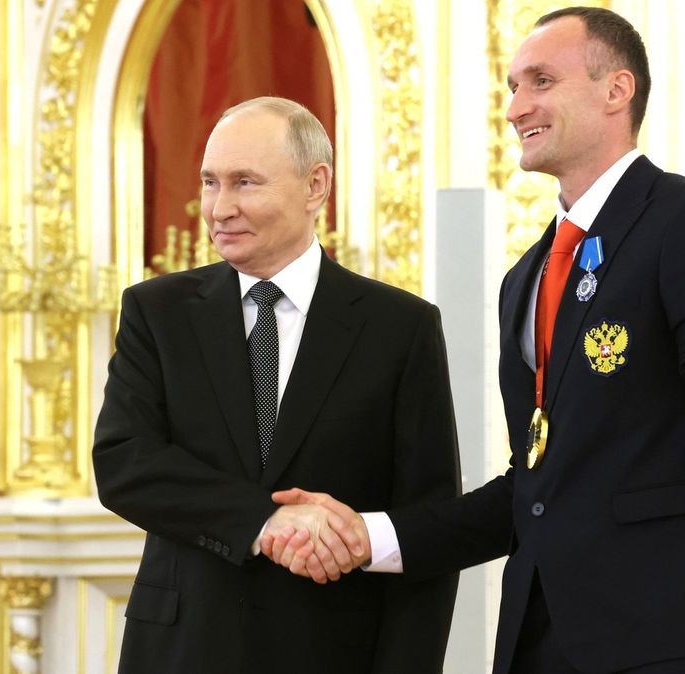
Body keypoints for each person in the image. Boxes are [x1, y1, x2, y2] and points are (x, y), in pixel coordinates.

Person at [263, 8, 685, 674]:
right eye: (512, 87)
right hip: (540, 636)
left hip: (665, 635)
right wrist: (370, 536)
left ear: (616, 89)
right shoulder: (526, 277)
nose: (514, 108)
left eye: (540, 81)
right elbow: (533, 487)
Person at [93, 96, 461, 673]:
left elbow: (427, 525)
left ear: (316, 186)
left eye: (245, 182)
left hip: (334, 653)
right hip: (183, 650)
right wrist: (263, 520)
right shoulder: (157, 312)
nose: (220, 208)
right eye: (210, 183)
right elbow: (124, 463)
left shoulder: (401, 327)